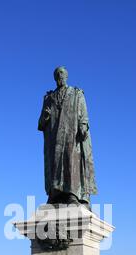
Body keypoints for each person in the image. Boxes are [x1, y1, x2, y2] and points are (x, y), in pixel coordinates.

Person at [38, 66, 97, 207]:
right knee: (54, 165)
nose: (60, 77)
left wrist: (83, 126)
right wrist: (45, 116)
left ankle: (73, 194)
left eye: (62, 74)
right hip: (54, 138)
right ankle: (54, 194)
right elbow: (40, 124)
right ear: (55, 78)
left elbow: (84, 115)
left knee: (72, 162)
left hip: (72, 134)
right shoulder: (48, 98)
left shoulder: (77, 94)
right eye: (57, 75)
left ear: (67, 76)